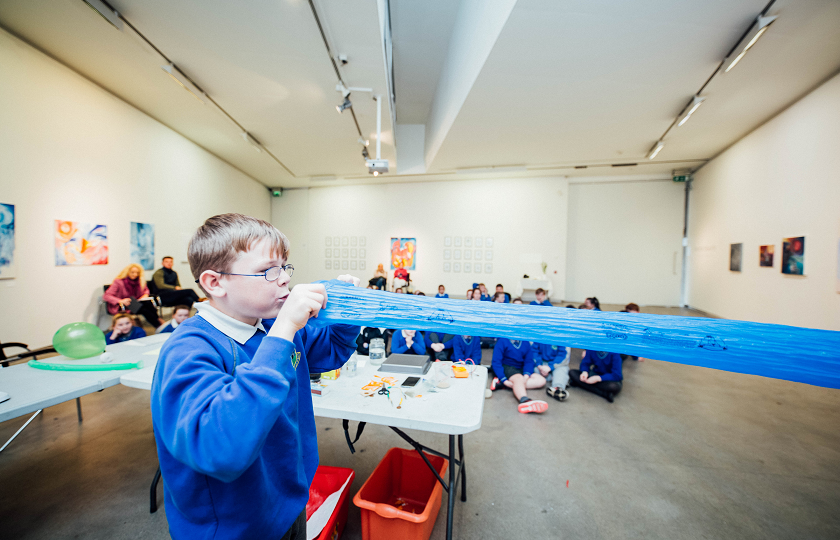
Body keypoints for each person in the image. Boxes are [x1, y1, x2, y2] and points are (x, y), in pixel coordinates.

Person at [150, 213, 360, 540]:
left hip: (286, 504)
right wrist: (284, 330)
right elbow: (222, 448)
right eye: (267, 271)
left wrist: (347, 311)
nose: (283, 280)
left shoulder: (269, 326)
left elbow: (331, 350)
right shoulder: (189, 350)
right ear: (214, 282)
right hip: (232, 528)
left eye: (284, 267)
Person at [490, 337, 548, 414]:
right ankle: (524, 400)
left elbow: (529, 361)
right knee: (518, 378)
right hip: (505, 367)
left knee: (541, 380)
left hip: (520, 368)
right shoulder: (502, 341)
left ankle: (512, 385)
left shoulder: (525, 342)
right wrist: (503, 379)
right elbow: (496, 362)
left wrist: (526, 375)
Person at [103, 263, 163, 328]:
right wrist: (121, 301)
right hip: (122, 305)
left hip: (135, 303)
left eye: (137, 273)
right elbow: (106, 296)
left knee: (148, 304)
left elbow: (146, 290)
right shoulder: (118, 282)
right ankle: (159, 325)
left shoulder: (139, 281)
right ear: (127, 272)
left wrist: (145, 295)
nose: (135, 274)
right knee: (144, 309)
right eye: (132, 272)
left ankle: (159, 323)